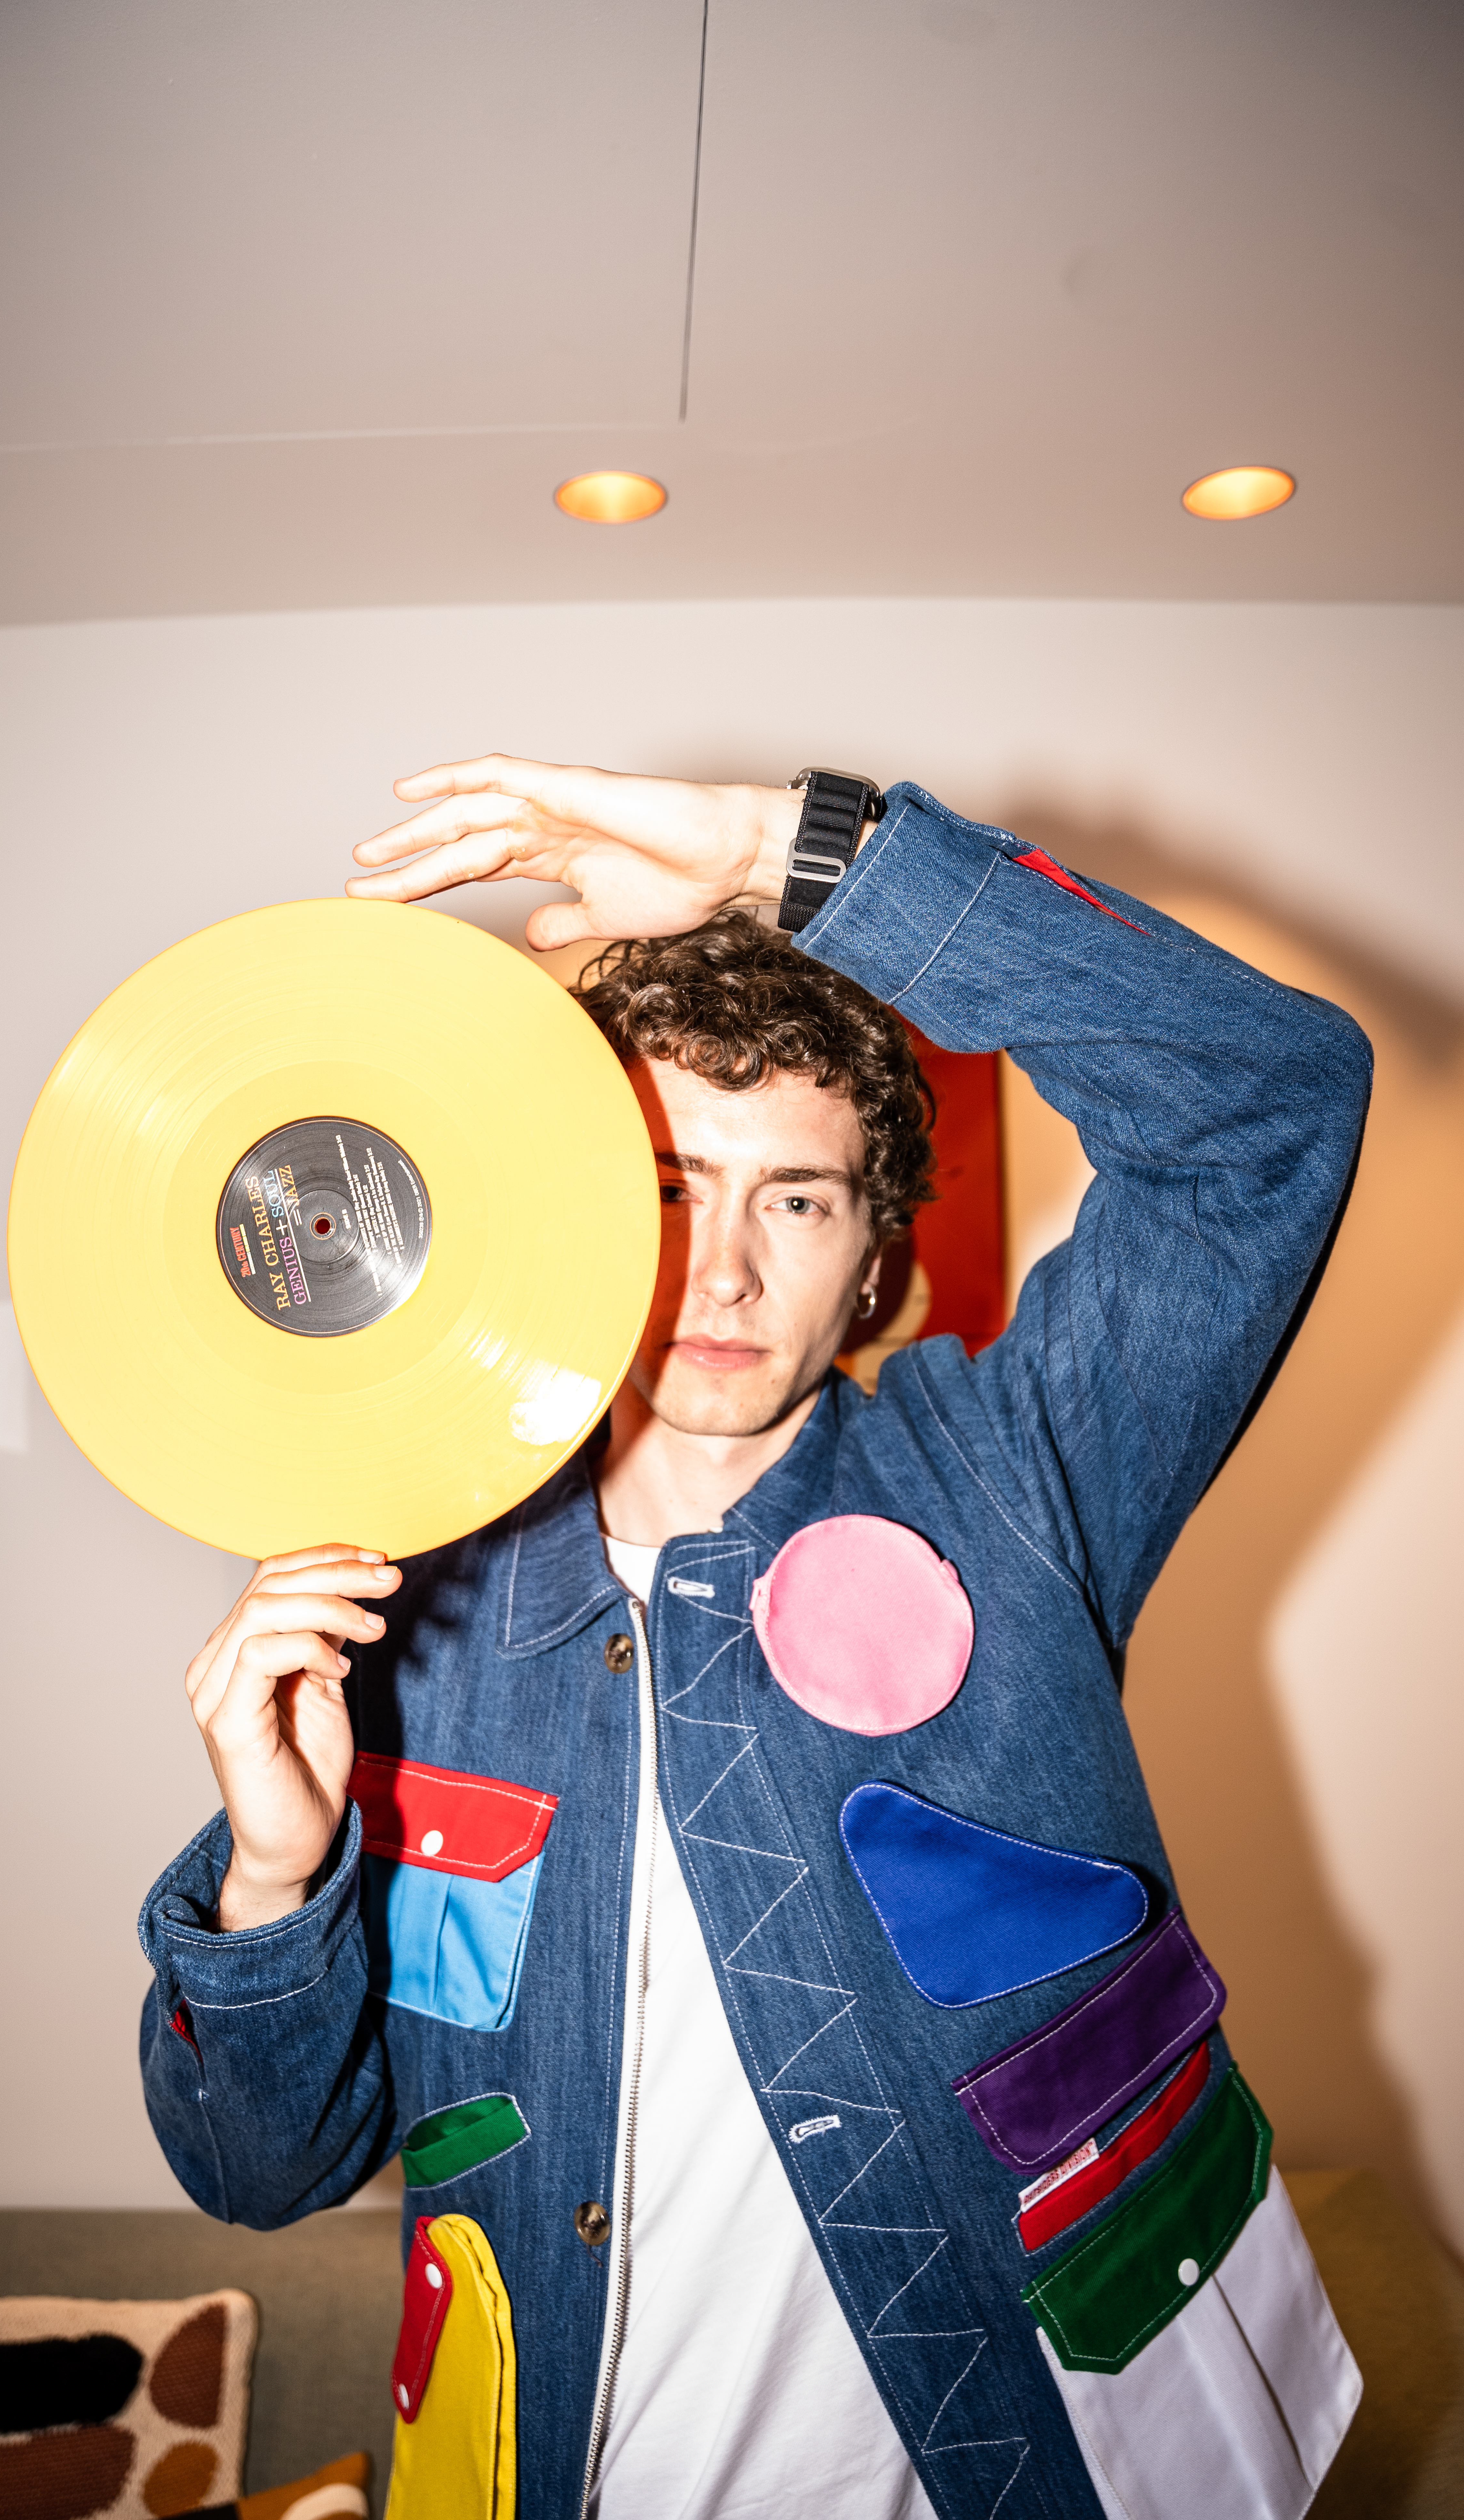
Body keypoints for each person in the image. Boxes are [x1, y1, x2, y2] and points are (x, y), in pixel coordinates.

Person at [140, 760, 1370, 2520]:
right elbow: (259, 2173)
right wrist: (275, 1873)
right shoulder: (401, 1599)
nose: (716, 1272)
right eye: (658, 1191)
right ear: (555, 1217)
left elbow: (1269, 1103)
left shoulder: (1012, 1475)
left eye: (792, 1197)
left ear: (874, 1256)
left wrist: (785, 858)